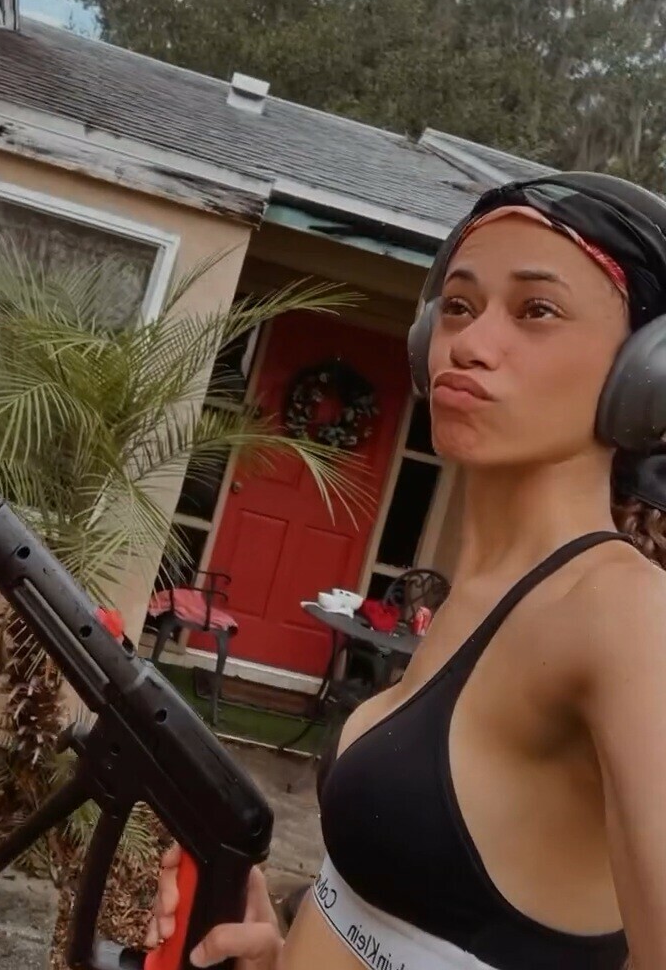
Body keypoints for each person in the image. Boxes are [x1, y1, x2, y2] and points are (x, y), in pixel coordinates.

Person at [146, 171, 666, 969]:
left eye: (536, 310)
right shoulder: (476, 595)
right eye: (457, 306)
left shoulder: (622, 610)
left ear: (647, 376)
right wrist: (282, 949)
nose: (471, 343)